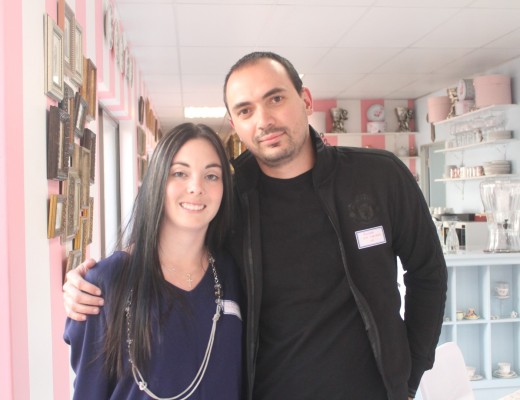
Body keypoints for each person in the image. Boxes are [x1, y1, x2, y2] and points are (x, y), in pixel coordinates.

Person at [63, 52, 447, 400]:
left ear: (306, 100)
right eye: (246, 110)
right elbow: (179, 242)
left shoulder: (379, 177)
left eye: (275, 99)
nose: (264, 120)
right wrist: (104, 278)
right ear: (235, 124)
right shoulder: (229, 195)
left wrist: (410, 375)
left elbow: (427, 271)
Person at [63, 123, 243, 399]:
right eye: (180, 173)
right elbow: (89, 391)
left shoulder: (231, 273)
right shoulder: (107, 281)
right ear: (158, 180)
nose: (196, 188)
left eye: (211, 176)